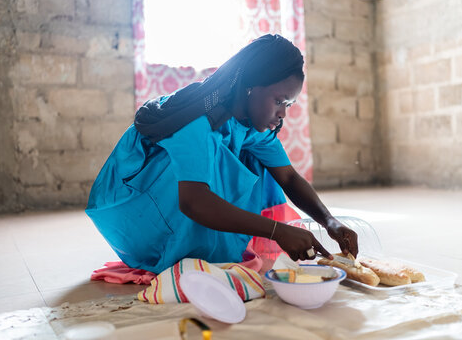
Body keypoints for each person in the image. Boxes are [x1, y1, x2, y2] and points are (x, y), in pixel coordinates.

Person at [86, 34, 358, 274]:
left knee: (257, 160)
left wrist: (330, 221)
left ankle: (204, 242)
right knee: (212, 161)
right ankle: (176, 247)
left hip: (180, 198)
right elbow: (193, 202)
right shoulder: (194, 120)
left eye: (288, 104)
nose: (283, 113)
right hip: (136, 209)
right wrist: (277, 231)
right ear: (250, 86)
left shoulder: (251, 124)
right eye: (278, 101)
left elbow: (287, 177)